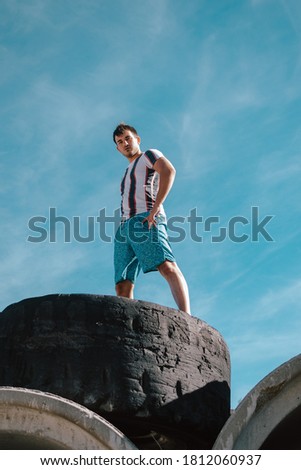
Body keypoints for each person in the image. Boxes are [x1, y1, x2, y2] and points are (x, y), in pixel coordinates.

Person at [113, 123, 191, 315]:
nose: (125, 144)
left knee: (167, 265)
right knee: (122, 284)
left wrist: (154, 209)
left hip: (146, 218)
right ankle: (126, 325)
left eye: (128, 139)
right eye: (120, 142)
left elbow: (168, 171)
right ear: (117, 148)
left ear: (137, 139)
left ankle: (186, 316)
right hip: (125, 227)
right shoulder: (126, 173)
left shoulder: (149, 155)